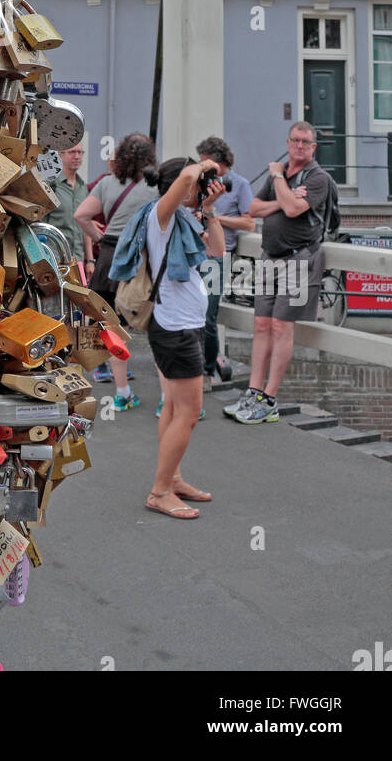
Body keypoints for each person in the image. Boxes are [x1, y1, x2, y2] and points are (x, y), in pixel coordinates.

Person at [110, 157, 226, 519]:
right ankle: (159, 491)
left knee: (176, 408)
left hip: (186, 324)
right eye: (198, 183)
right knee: (190, 413)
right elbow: (188, 175)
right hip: (174, 329)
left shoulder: (184, 219)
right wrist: (204, 165)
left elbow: (218, 253)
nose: (202, 184)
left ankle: (171, 478)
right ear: (181, 185)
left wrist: (210, 208)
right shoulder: (160, 216)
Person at [226, 121, 331, 426]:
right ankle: (254, 391)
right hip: (270, 257)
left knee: (282, 327)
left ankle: (269, 399)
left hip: (299, 260)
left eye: (305, 142)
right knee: (261, 323)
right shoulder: (282, 175)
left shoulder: (318, 178)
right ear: (288, 143)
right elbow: (254, 208)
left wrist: (277, 178)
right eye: (295, 140)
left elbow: (296, 210)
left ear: (313, 148)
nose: (299, 146)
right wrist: (283, 195)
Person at [74, 132, 158, 406]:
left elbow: (81, 216)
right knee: (156, 327)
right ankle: (167, 398)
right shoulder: (157, 187)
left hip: (109, 259)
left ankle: (122, 394)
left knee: (113, 328)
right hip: (142, 260)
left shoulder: (107, 183)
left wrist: (101, 239)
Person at [194, 135, 255, 387]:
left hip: (218, 256)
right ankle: (198, 364)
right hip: (195, 252)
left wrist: (214, 215)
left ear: (216, 162)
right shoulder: (201, 183)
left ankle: (207, 369)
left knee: (208, 315)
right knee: (193, 313)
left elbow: (249, 223)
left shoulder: (239, 184)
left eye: (204, 162)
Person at [48, 144, 94, 269]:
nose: (77, 156)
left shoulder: (83, 187)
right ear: (60, 154)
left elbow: (86, 225)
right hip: (54, 259)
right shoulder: (51, 186)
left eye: (80, 152)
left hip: (77, 260)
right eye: (72, 152)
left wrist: (90, 260)